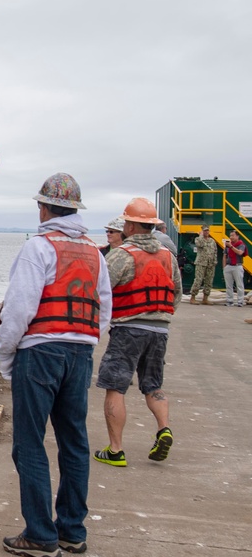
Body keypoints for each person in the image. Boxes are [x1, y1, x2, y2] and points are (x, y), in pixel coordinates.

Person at [0, 172, 112, 557]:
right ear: (75, 210)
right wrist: (85, 342)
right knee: (74, 442)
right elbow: (104, 310)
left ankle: (41, 535)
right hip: (80, 353)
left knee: (29, 444)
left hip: (40, 352)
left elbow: (18, 310)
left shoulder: (38, 247)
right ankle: (72, 532)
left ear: (44, 208)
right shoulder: (95, 253)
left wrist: (7, 356)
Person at [94, 197, 182, 468]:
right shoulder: (168, 256)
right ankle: (163, 428)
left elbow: (101, 290)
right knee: (153, 385)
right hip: (160, 330)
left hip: (128, 329)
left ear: (130, 226)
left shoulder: (122, 254)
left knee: (115, 387)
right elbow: (177, 293)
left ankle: (116, 451)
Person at [190, 225, 217, 305]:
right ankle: (193, 297)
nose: (206, 232)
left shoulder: (212, 241)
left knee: (209, 281)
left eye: (207, 230)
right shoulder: (198, 239)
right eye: (205, 231)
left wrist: (214, 261)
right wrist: (201, 235)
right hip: (201, 263)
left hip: (210, 263)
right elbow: (200, 244)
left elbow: (215, 251)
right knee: (198, 280)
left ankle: (205, 298)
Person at [222, 230, 247, 307]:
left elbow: (240, 252)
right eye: (230, 236)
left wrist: (231, 247)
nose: (231, 237)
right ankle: (230, 301)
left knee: (239, 285)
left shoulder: (241, 245)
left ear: (237, 236)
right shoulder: (228, 245)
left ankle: (240, 301)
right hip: (229, 266)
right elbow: (225, 255)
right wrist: (224, 267)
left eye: (233, 235)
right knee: (228, 285)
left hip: (237, 266)